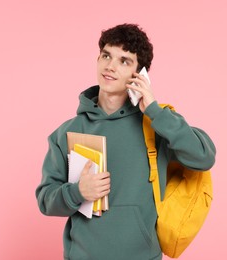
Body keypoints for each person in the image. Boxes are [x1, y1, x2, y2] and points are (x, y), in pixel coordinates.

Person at [35, 23, 216, 260]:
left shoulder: (157, 125)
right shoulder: (67, 131)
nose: (110, 66)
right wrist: (77, 192)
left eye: (124, 61)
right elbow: (45, 200)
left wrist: (154, 109)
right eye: (106, 56)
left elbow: (204, 157)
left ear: (139, 75)